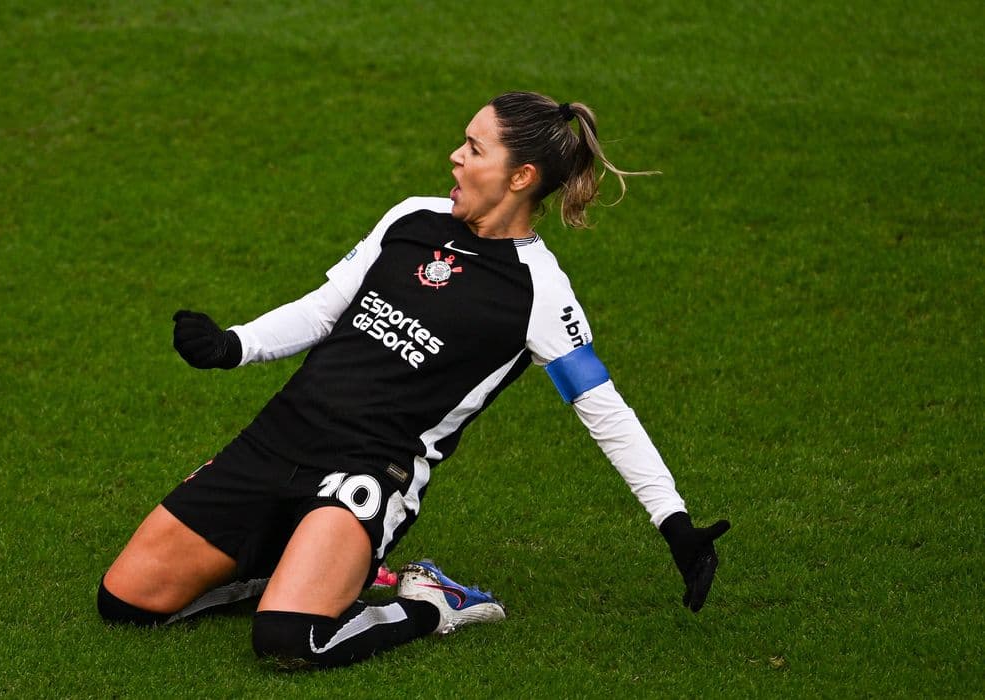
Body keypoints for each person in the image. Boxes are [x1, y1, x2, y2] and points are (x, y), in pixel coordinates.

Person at [97, 91, 730, 669]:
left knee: (289, 641)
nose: (455, 157)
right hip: (278, 439)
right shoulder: (412, 218)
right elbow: (326, 308)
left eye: (474, 149)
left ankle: (431, 602)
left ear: (520, 177)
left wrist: (673, 522)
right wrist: (232, 345)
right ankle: (294, 562)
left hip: (368, 471)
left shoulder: (538, 293)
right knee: (125, 603)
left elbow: (603, 408)